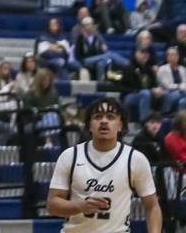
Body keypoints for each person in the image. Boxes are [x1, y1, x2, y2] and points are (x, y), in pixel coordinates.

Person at [46, 97, 161, 232]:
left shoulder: (135, 159)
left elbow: (152, 206)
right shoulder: (70, 156)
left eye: (111, 117)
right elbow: (52, 205)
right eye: (98, 117)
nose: (104, 121)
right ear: (89, 125)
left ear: (121, 125)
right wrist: (80, 206)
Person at [74, 17, 130, 81]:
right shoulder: (80, 39)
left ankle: (100, 83)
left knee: (101, 63)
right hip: (85, 60)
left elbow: (101, 51)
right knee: (110, 54)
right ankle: (128, 64)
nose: (89, 27)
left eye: (90, 25)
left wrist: (102, 49)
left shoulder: (97, 37)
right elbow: (77, 54)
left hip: (98, 59)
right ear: (84, 28)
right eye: (87, 25)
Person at [122, 49, 164, 123]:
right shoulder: (129, 67)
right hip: (130, 95)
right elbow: (132, 86)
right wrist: (151, 90)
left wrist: (157, 89)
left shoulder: (148, 68)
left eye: (146, 54)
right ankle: (144, 122)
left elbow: (154, 84)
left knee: (164, 93)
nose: (145, 55)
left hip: (147, 93)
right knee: (145, 93)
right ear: (136, 54)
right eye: (142, 53)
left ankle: (162, 118)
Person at [156, 46, 186, 113]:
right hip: (168, 92)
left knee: (183, 102)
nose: (174, 57)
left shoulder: (182, 69)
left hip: (182, 92)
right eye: (171, 55)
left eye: (176, 55)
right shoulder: (162, 69)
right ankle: (166, 112)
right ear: (167, 57)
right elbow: (167, 85)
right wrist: (179, 86)